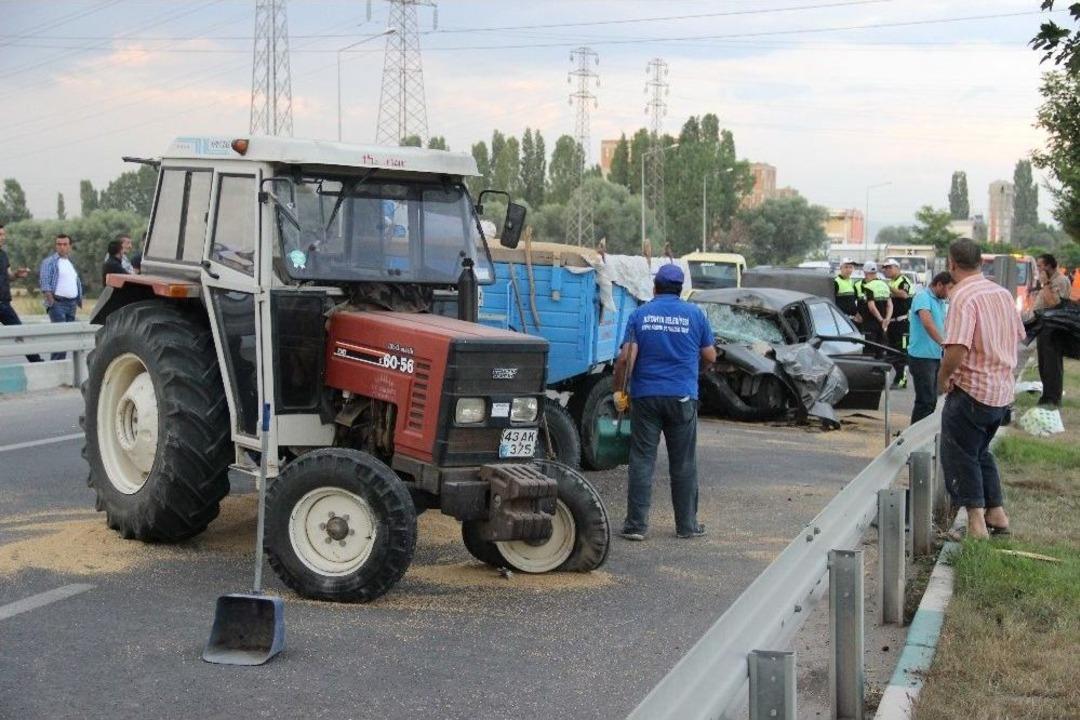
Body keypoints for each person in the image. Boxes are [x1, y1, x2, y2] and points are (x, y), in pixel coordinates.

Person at [613, 263, 716, 541]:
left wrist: (618, 391)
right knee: (683, 463)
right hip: (682, 396)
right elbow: (710, 356)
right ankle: (686, 526)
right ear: (680, 289)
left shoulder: (640, 315)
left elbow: (625, 359)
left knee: (642, 460)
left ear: (655, 287)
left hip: (646, 397)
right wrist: (695, 373)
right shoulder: (696, 315)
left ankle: (636, 526)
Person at [938, 239, 1025, 539]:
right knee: (980, 452)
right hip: (1000, 393)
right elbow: (1017, 335)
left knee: (959, 454)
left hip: (972, 391)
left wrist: (944, 376)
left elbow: (957, 347)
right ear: (979, 263)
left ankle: (975, 525)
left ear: (951, 264)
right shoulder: (1001, 294)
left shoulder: (963, 296)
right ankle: (997, 514)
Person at [907, 272, 953, 423]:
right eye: (948, 288)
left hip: (934, 357)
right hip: (921, 357)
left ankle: (920, 437)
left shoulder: (940, 302)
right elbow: (927, 323)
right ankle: (914, 439)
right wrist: (943, 343)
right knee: (925, 401)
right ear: (939, 284)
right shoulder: (923, 297)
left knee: (932, 400)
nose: (949, 293)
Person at [1029, 253, 1073, 408]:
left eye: (1041, 266)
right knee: (1044, 364)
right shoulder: (1048, 282)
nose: (1039, 269)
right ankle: (1047, 394)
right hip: (1043, 325)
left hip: (1053, 326)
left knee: (1052, 364)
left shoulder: (1060, 281)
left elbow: (1055, 304)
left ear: (1048, 266)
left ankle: (1052, 398)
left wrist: (1046, 283)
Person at [0, 224, 44, 363]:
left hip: (4, 304)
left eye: (3, 234)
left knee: (20, 333)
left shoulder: (3, 255)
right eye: (0, 235)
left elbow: (8, 276)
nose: (3, 238)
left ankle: (36, 361)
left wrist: (17, 275)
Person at [39, 233, 83, 360]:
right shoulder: (50, 262)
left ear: (70, 246)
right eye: (59, 244)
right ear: (55, 246)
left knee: (67, 340)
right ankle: (55, 366)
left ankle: (59, 365)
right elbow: (45, 283)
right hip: (58, 304)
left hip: (71, 304)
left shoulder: (69, 263)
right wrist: (52, 302)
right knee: (61, 339)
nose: (62, 247)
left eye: (65, 244)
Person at [881, 259, 913, 387]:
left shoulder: (903, 281)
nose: (886, 270)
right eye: (885, 268)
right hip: (892, 323)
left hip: (902, 324)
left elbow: (904, 295)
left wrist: (888, 287)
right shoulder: (892, 282)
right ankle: (898, 377)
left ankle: (901, 380)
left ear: (897, 268)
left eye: (889, 267)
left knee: (901, 351)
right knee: (891, 351)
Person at [859, 262, 893, 351]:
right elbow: (890, 305)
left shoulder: (868, 286)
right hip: (882, 326)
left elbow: (872, 307)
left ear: (865, 273)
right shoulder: (885, 285)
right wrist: (887, 319)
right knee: (880, 350)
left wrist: (881, 320)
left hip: (870, 324)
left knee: (870, 351)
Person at [833, 257, 861, 325]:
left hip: (853, 320)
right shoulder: (836, 282)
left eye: (851, 267)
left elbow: (854, 301)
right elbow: (832, 301)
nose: (849, 270)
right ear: (841, 268)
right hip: (841, 320)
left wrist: (857, 314)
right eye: (846, 267)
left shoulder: (852, 282)